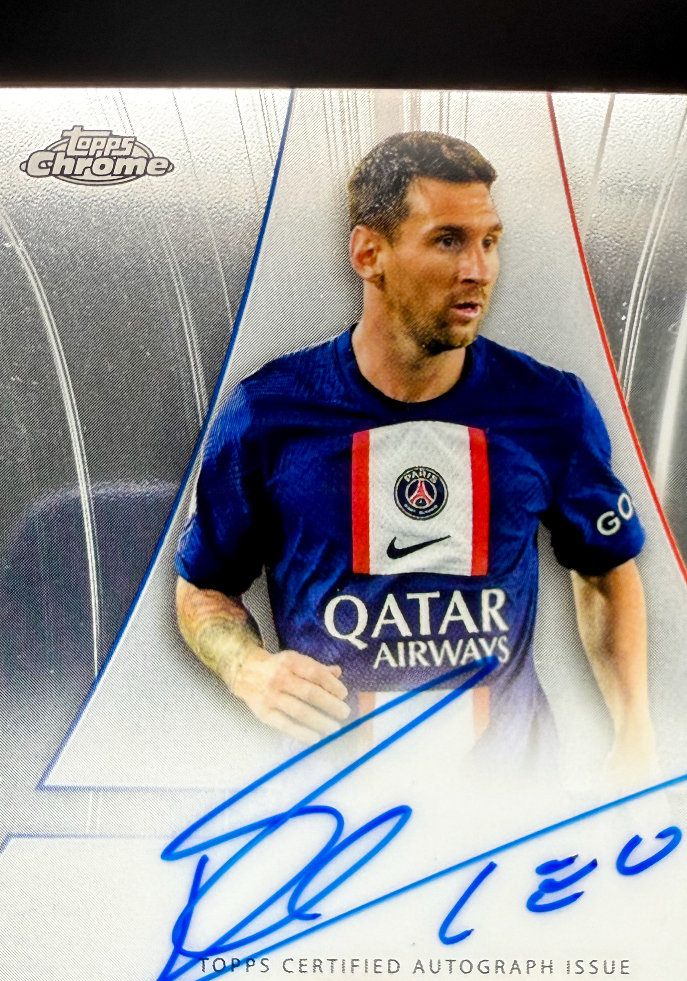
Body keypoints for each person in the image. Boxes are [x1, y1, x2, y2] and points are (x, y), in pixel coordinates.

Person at [175, 131, 655, 779]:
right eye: (448, 240)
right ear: (369, 253)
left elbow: (605, 567)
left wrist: (635, 740)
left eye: (490, 241)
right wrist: (248, 668)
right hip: (338, 805)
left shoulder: (548, 407)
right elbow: (203, 585)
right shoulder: (268, 413)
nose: (478, 269)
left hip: (516, 800)